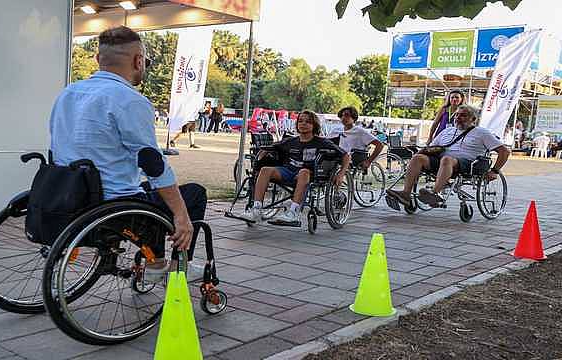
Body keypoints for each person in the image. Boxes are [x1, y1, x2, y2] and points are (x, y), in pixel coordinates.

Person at [49, 26, 205, 281]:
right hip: (113, 205)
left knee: (147, 192)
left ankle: (156, 262)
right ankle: (176, 267)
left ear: (98, 59)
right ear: (138, 60)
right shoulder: (130, 100)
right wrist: (181, 215)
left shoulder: (68, 94)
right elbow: (152, 163)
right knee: (192, 194)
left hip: (69, 194)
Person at [240, 110, 351, 226]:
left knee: (303, 172)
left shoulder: (322, 142)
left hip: (309, 175)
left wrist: (341, 173)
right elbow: (270, 147)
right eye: (301, 121)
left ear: (314, 125)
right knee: (265, 170)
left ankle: (293, 212)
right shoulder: (290, 141)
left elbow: (345, 156)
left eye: (308, 122)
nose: (303, 124)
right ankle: (256, 209)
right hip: (288, 171)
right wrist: (263, 153)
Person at [386, 105, 510, 208]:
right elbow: (432, 147)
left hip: (469, 164)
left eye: (463, 115)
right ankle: (406, 194)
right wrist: (423, 151)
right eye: (456, 115)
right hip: (442, 161)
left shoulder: (482, 133)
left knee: (447, 159)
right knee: (418, 158)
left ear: (473, 119)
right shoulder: (447, 131)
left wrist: (495, 171)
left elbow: (504, 151)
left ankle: (435, 193)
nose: (458, 118)